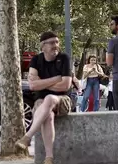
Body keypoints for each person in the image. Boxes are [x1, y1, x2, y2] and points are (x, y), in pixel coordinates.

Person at [15, 32, 72, 164]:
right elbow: (33, 86)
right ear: (43, 46)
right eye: (52, 43)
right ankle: (49, 158)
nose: (56, 45)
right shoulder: (36, 60)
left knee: (50, 99)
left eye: (57, 42)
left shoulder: (64, 58)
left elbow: (66, 85)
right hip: (41, 101)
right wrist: (56, 79)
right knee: (49, 116)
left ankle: (28, 137)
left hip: (63, 100)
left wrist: (43, 83)